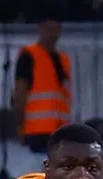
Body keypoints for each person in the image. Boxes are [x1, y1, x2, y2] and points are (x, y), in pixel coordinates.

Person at [14, 20, 73, 151]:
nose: (53, 33)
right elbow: (20, 95)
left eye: (56, 28)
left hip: (61, 133)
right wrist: (20, 126)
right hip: (38, 132)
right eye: (49, 28)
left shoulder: (63, 60)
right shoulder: (29, 55)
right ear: (40, 28)